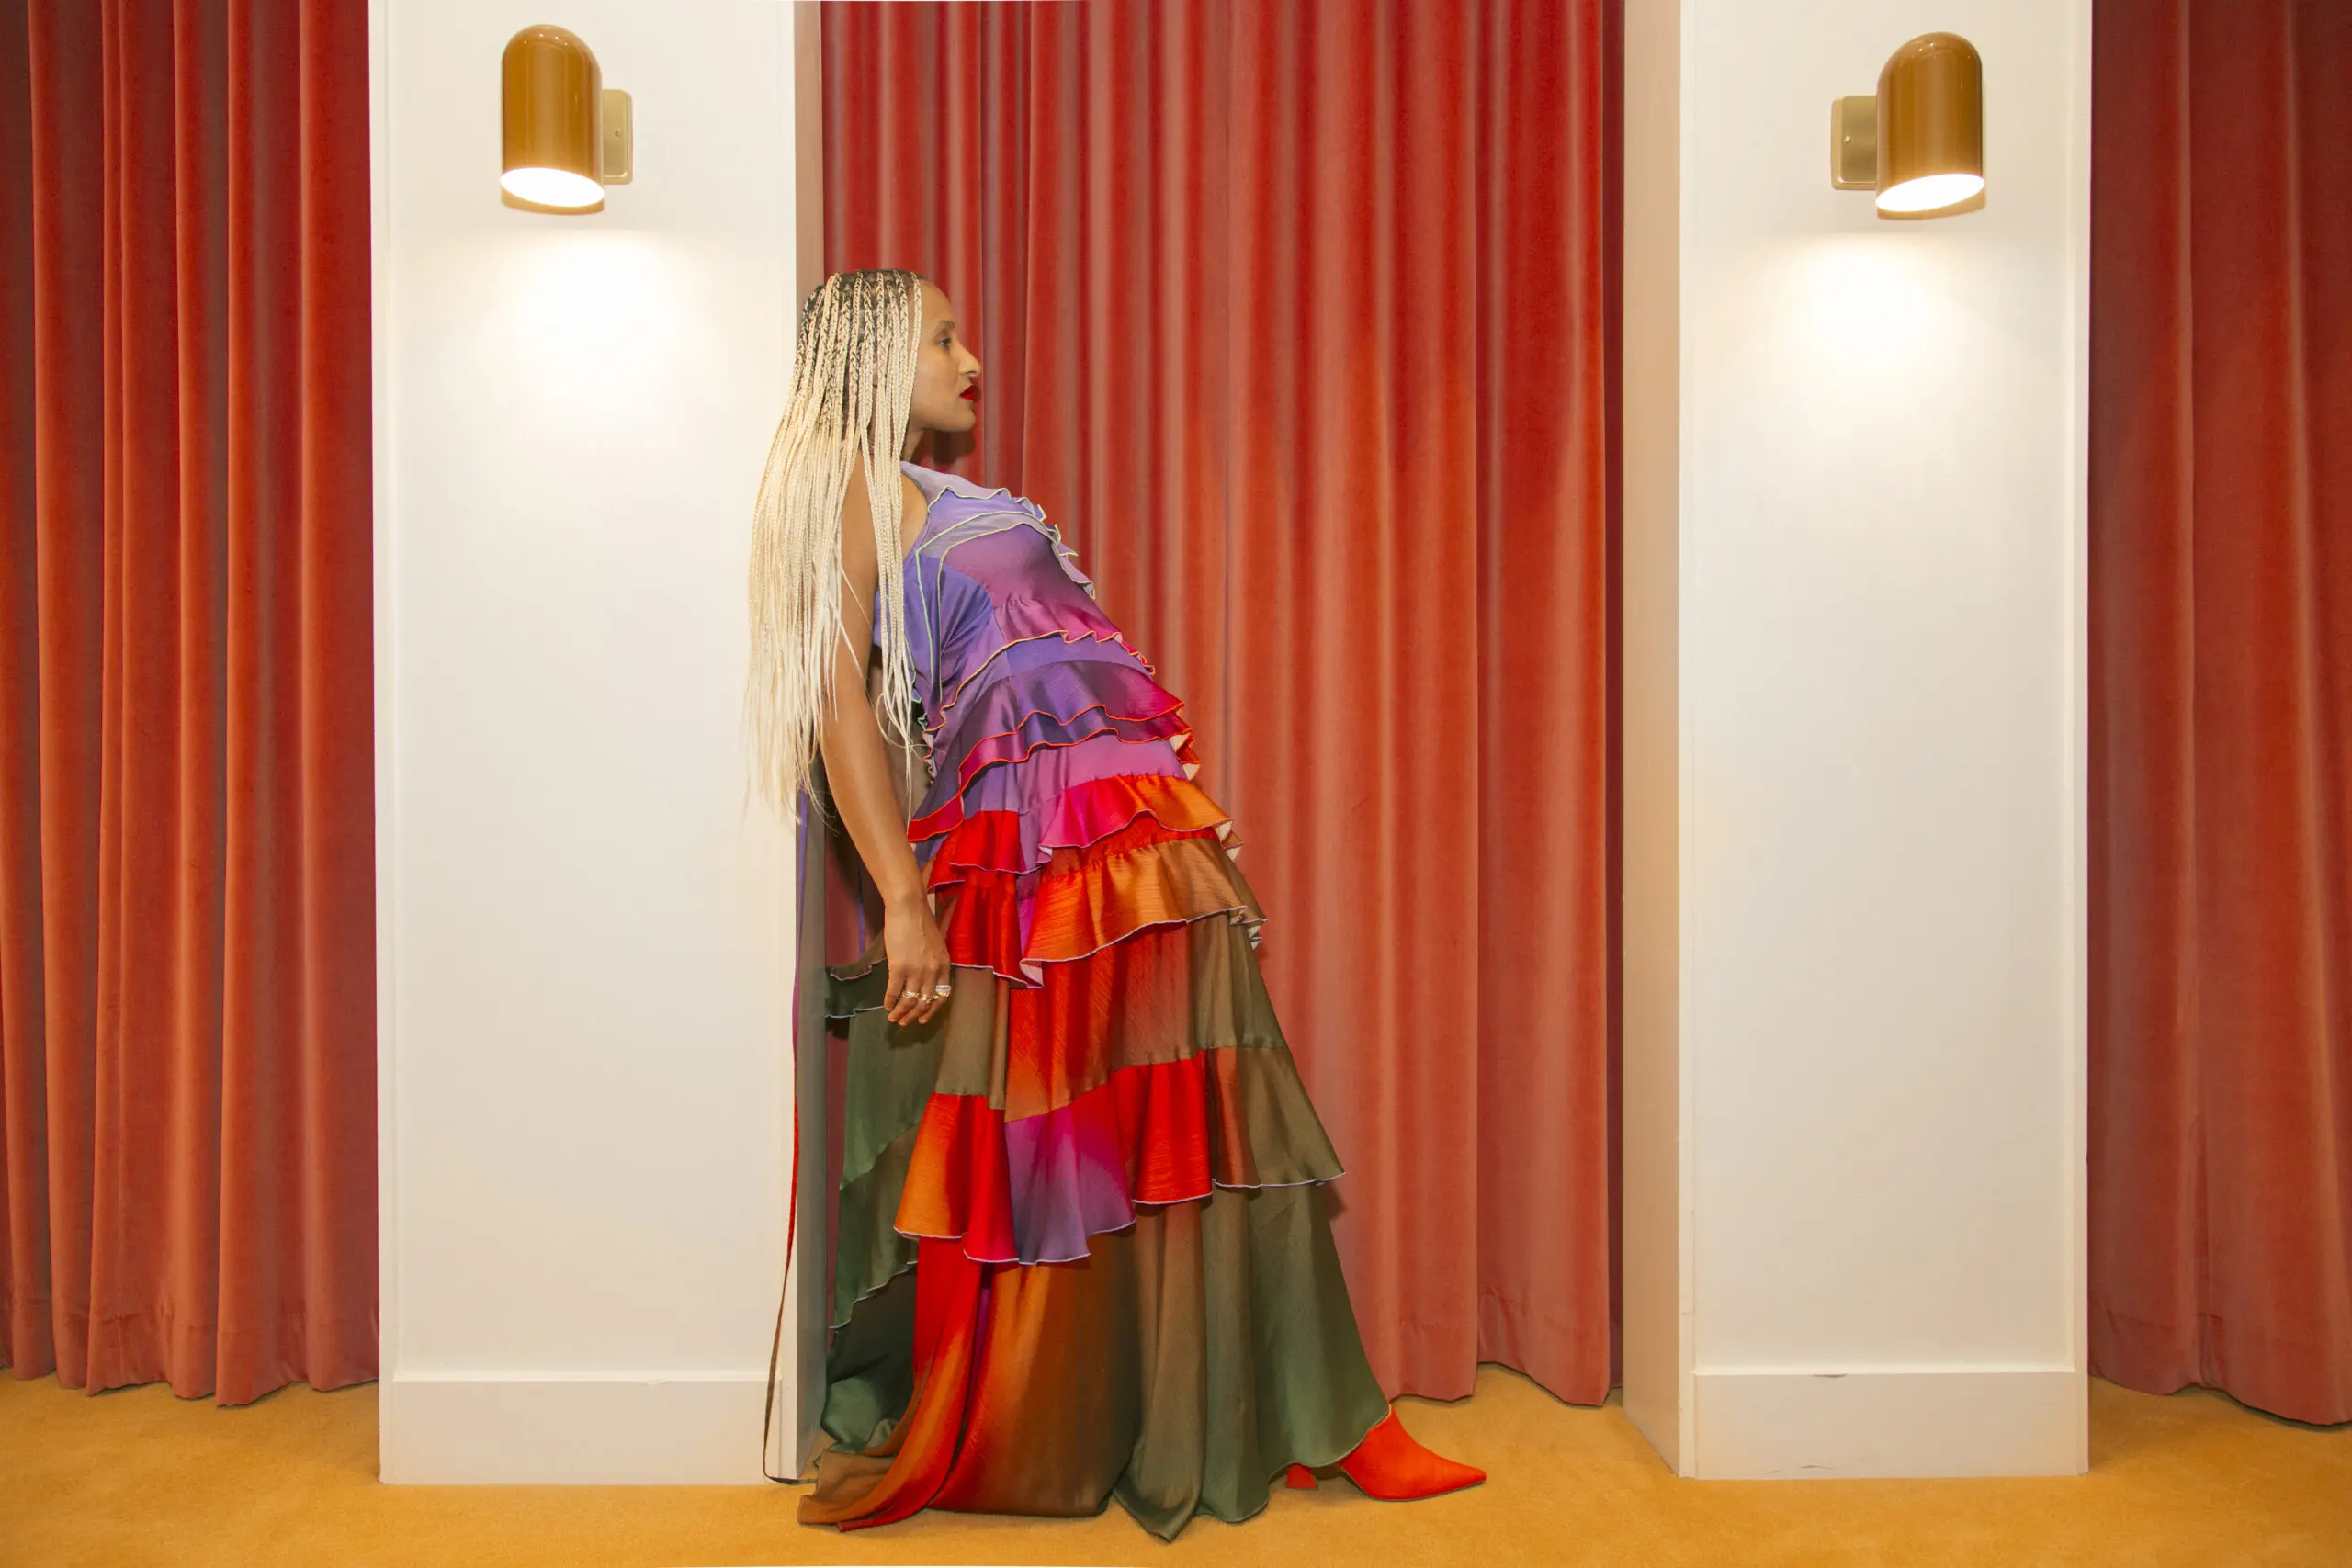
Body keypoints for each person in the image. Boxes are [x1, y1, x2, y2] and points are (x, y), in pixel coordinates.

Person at [745, 268, 1483, 1540]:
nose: (970, 357)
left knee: (1209, 1115)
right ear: (872, 360)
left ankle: (1312, 1410)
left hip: (1135, 834)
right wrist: (905, 903)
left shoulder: (945, 492)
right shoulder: (857, 485)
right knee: (1062, 1140)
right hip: (1038, 857)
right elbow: (836, 704)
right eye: (941, 337)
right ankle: (1084, 1412)